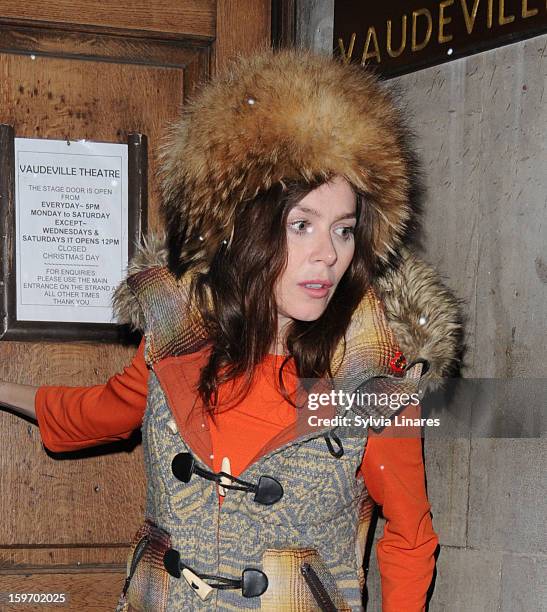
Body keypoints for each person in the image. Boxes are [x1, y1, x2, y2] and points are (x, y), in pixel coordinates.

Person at [1, 49, 462, 611]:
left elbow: (410, 538)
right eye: (302, 226)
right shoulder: (176, 344)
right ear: (244, 228)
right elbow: (87, 414)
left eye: (344, 230)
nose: (328, 256)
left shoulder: (373, 379)